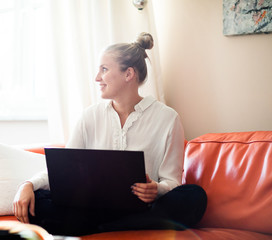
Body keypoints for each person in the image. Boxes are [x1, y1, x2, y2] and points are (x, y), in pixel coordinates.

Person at [13, 32, 207, 236]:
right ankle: (124, 225)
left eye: (104, 70)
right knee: (38, 200)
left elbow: (173, 182)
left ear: (128, 74)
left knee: (194, 196)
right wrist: (28, 184)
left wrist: (156, 189)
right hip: (92, 209)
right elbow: (62, 173)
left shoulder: (168, 118)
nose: (97, 78)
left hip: (144, 208)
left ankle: (103, 227)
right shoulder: (89, 116)